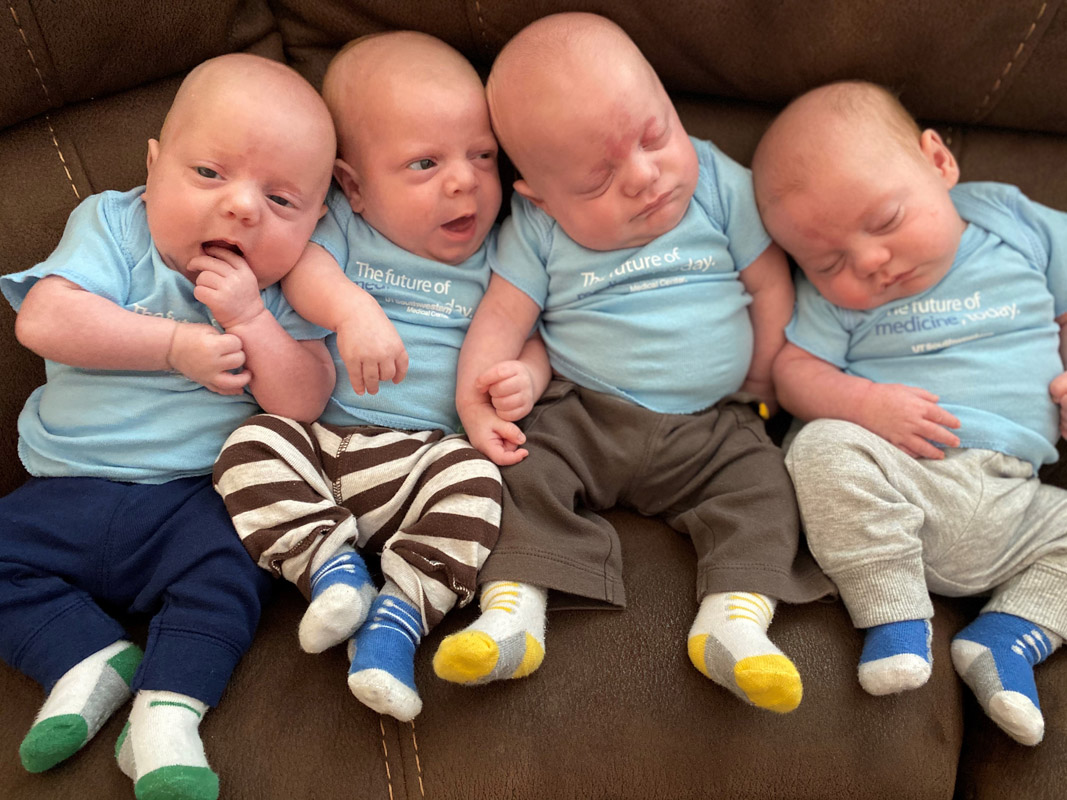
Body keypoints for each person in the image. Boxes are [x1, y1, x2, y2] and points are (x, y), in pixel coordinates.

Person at [431, 12, 833, 715]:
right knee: (516, 478)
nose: (646, 177)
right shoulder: (536, 230)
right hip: (581, 413)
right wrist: (474, 406)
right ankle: (511, 615)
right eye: (596, 181)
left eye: (656, 136)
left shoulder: (715, 181)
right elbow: (500, 318)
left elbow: (769, 281)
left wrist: (767, 370)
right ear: (539, 196)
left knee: (766, 491)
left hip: (713, 425)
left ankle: (734, 625)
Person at [0, 54, 337, 800]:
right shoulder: (114, 228)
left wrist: (251, 318)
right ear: (154, 166)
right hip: (65, 487)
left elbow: (305, 399)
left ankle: (168, 712)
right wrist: (174, 346)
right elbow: (47, 320)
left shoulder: (288, 285)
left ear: (318, 218)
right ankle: (83, 658)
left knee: (235, 572)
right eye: (209, 174)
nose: (241, 208)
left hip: (199, 499)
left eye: (281, 200)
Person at [212, 31, 548, 722]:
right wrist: (353, 310)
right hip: (322, 444)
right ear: (352, 187)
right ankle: (330, 574)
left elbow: (533, 330)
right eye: (425, 163)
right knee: (248, 446)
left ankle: (395, 627)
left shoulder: (506, 250)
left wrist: (525, 376)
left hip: (427, 460)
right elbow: (298, 267)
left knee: (478, 483)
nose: (464, 181)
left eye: (481, 155)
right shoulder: (341, 230)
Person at [751, 79, 1067, 746]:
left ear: (938, 161)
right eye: (828, 260)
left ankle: (1005, 640)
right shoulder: (834, 305)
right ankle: (892, 612)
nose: (868, 261)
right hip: (901, 483)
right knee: (818, 446)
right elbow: (791, 371)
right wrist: (863, 404)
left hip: (1018, 501)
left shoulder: (1012, 223)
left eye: (886, 221)